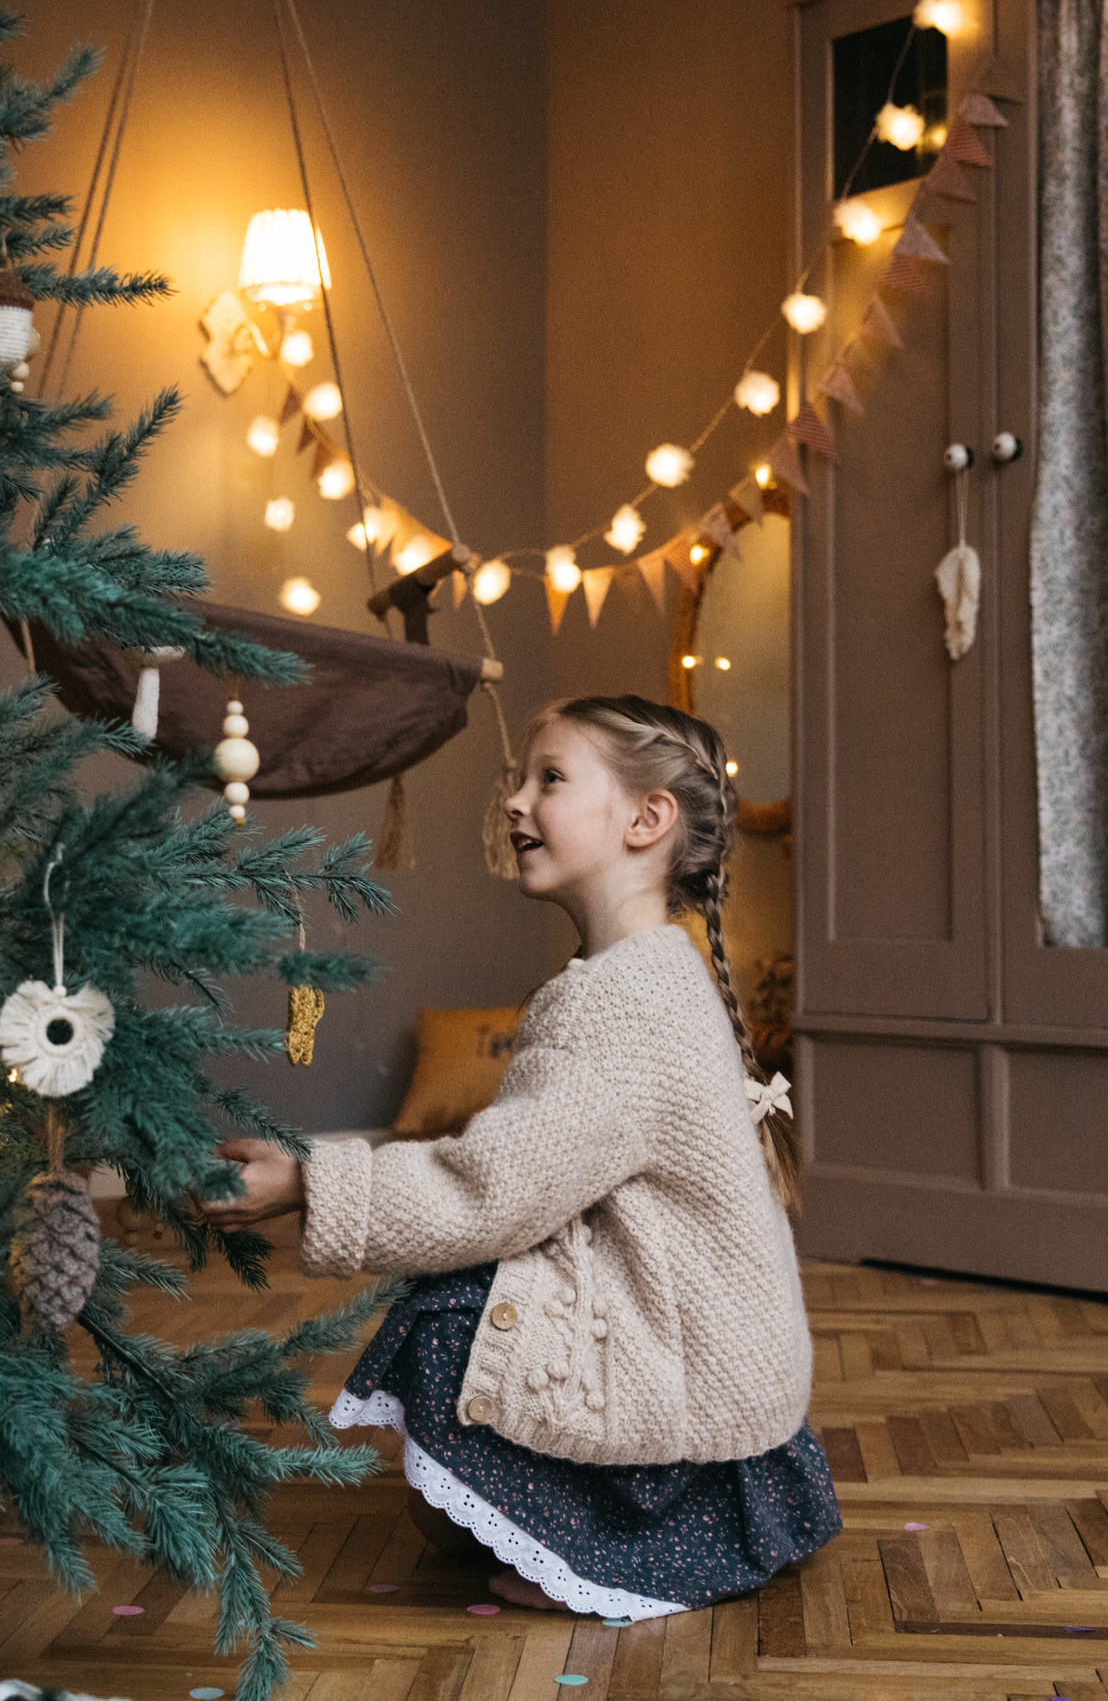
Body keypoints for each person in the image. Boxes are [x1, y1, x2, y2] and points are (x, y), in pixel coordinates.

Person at [200, 694, 840, 1619]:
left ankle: (630, 1544)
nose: (515, 801)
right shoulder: (653, 972)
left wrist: (306, 1181)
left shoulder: (624, 1003)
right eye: (520, 779)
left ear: (646, 818)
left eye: (550, 778)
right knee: (459, 1384)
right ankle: (580, 1522)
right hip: (723, 1382)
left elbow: (488, 1191)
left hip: (696, 1394)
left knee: (449, 1315)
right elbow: (529, 1177)